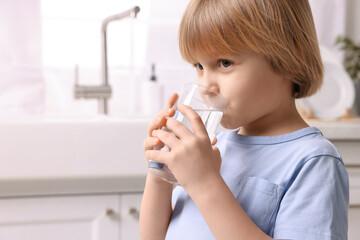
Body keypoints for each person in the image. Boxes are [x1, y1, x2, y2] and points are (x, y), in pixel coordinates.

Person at [139, 0, 349, 239]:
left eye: (225, 63)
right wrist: (161, 175)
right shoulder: (212, 147)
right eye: (199, 66)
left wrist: (204, 183)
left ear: (288, 59)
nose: (206, 87)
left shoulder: (313, 162)